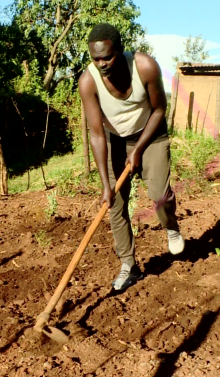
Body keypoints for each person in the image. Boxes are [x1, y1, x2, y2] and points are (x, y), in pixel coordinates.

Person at [78, 23, 185, 292]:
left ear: (121, 50)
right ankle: (129, 266)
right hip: (115, 140)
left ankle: (171, 227)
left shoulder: (145, 67)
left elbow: (160, 109)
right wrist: (106, 185)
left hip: (151, 135)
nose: (101, 64)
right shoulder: (88, 82)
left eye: (107, 57)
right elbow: (97, 135)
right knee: (115, 205)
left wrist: (137, 150)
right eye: (95, 59)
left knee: (159, 196)